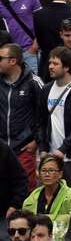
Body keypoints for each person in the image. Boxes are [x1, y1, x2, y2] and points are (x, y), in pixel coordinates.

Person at [38, 47, 71, 188]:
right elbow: (41, 122)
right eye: (50, 63)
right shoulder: (46, 90)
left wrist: (63, 148)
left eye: (55, 64)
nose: (50, 67)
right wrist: (43, 147)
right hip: (50, 157)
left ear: (67, 67)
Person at [0, 42, 44, 189]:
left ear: (12, 61)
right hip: (1, 146)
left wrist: (36, 141)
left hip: (23, 147)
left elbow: (45, 115)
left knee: (25, 188)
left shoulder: (34, 82)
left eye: (1, 58)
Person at [22, 156, 71, 241]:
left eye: (51, 170)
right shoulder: (32, 198)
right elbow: (25, 222)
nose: (47, 174)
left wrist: (45, 218)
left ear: (60, 174)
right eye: (43, 171)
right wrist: (60, 218)